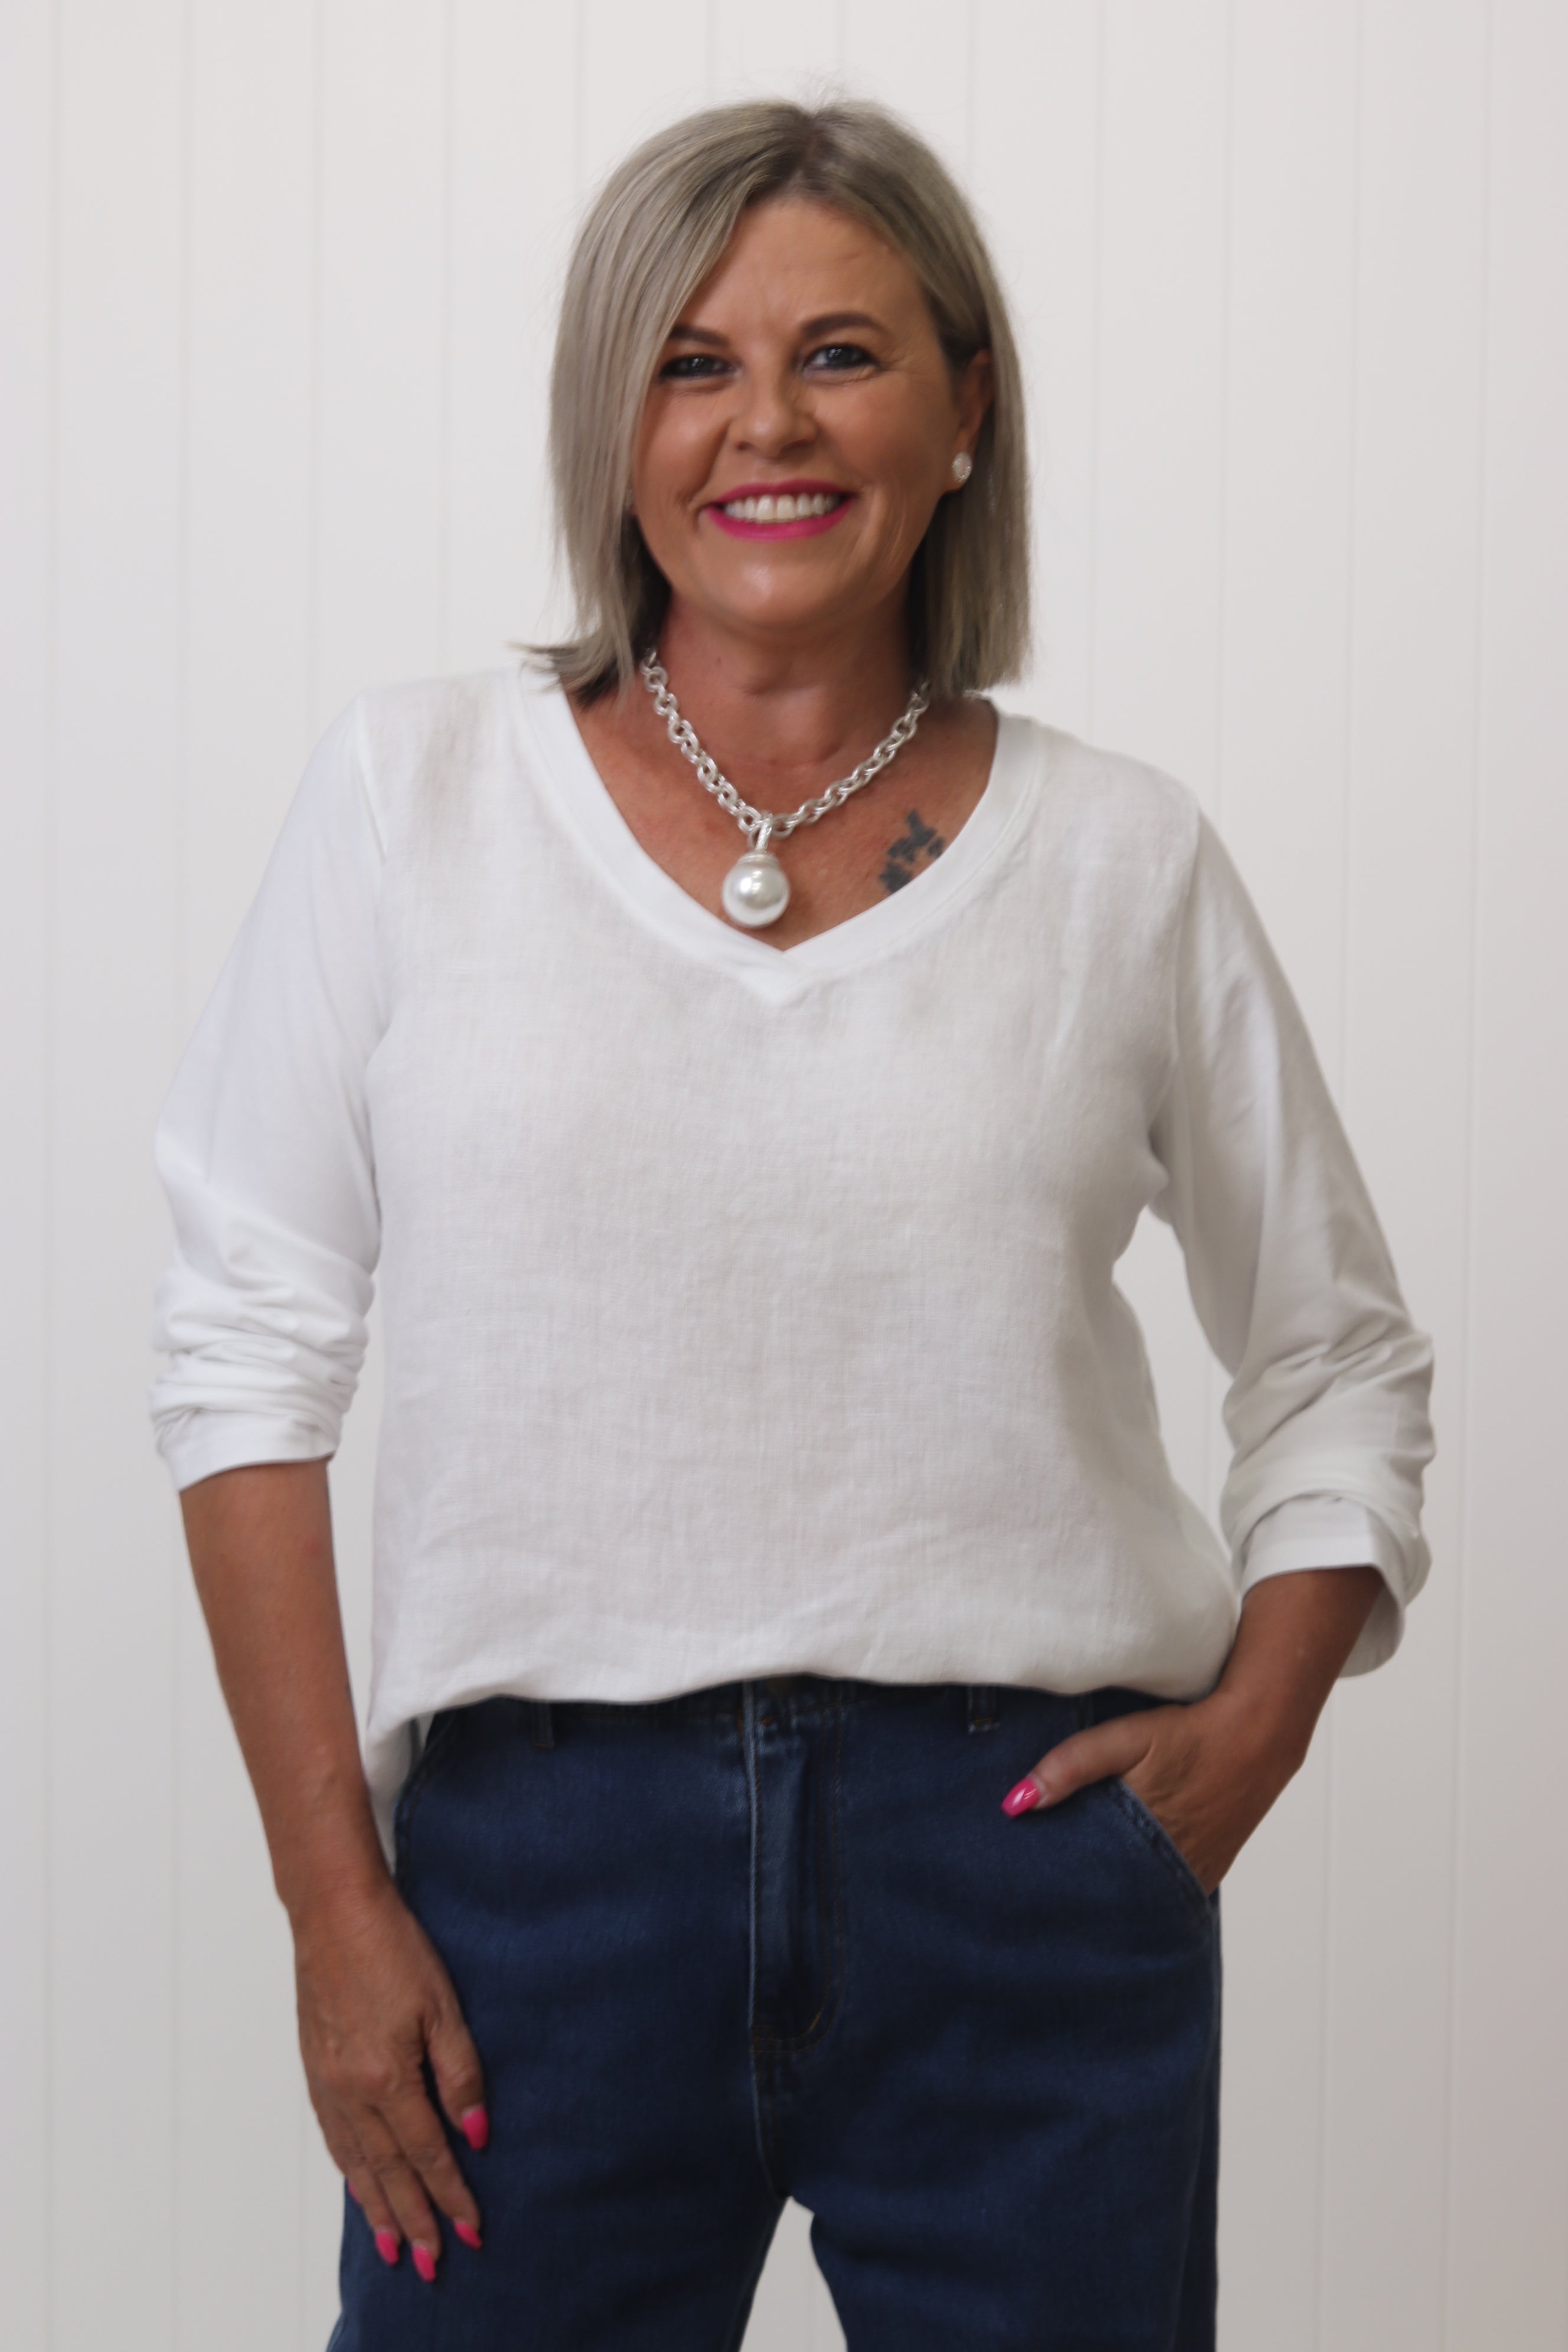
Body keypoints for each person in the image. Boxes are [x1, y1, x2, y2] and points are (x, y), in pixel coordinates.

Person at [151, 98, 1433, 2352]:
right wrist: (329, 1901)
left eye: (843, 354)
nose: (768, 423)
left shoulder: (1124, 861)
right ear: (612, 419)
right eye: (691, 362)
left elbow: (1335, 1356)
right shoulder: (411, 800)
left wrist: (1258, 1728)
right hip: (533, 1900)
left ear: (967, 408)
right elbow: (244, 1353)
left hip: (1022, 1876)